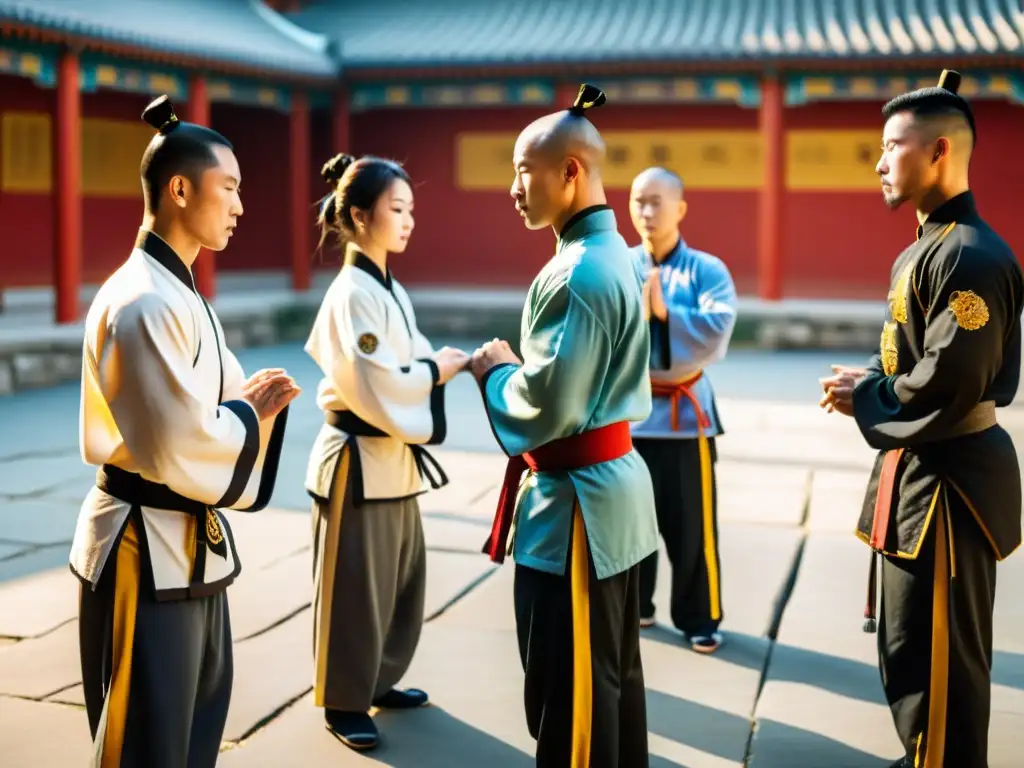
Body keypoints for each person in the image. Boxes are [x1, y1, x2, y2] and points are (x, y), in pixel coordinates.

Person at [71, 95, 299, 768]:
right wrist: (248, 416)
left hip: (188, 547)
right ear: (178, 188)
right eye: (227, 187)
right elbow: (176, 442)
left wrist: (248, 408)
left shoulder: (181, 293)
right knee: (146, 739)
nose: (238, 205)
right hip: (143, 546)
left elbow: (211, 402)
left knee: (194, 727)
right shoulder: (142, 300)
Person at [819, 70, 1022, 768]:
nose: (878, 163)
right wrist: (870, 379)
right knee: (909, 658)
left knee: (940, 674)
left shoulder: (969, 255)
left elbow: (953, 378)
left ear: (939, 152)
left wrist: (869, 398)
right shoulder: (928, 247)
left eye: (891, 146)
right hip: (922, 477)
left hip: (949, 490)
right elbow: (920, 357)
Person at [471, 83, 658, 768]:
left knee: (572, 692)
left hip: (581, 507)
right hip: (613, 495)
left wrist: (495, 370)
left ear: (570, 172)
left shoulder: (577, 271)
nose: (514, 188)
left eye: (523, 170)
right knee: (608, 682)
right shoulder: (617, 257)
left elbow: (548, 404)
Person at [303, 153, 469, 751]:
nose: (407, 221)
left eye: (411, 210)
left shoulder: (388, 287)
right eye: (397, 209)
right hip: (357, 457)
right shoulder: (352, 292)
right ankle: (342, 698)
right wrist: (435, 369)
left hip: (391, 457)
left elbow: (409, 360)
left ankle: (377, 678)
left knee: (398, 580)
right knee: (354, 586)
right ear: (358, 215)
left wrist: (438, 365)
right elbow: (376, 379)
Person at [627, 166, 737, 652]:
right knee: (630, 522)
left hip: (685, 419)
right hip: (628, 414)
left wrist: (666, 315)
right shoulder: (618, 266)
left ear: (680, 208)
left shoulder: (707, 269)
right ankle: (636, 606)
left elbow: (717, 328)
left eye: (656, 201)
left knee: (691, 527)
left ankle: (698, 615)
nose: (646, 212)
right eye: (637, 201)